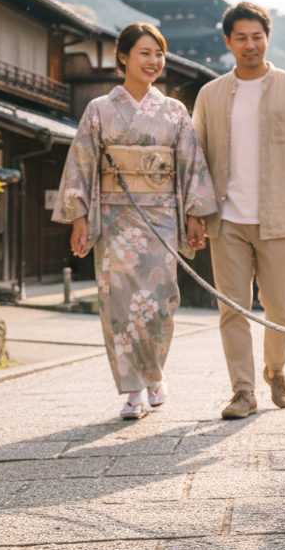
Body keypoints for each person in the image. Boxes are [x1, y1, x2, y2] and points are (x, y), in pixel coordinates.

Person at [53, 23, 217, 420]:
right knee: (120, 305)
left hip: (160, 218)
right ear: (123, 57)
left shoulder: (175, 111)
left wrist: (195, 216)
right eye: (144, 53)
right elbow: (81, 166)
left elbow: (192, 166)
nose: (154, 61)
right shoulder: (99, 110)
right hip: (114, 219)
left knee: (161, 303)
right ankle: (132, 391)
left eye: (158, 54)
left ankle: (154, 374)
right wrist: (79, 219)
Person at [193, 2, 285, 419]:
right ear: (227, 42)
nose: (249, 45)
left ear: (267, 39)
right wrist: (194, 211)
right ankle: (243, 391)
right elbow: (195, 156)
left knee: (281, 307)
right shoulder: (210, 94)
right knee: (232, 308)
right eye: (241, 37)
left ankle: (276, 370)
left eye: (257, 36)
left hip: (278, 215)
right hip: (227, 218)